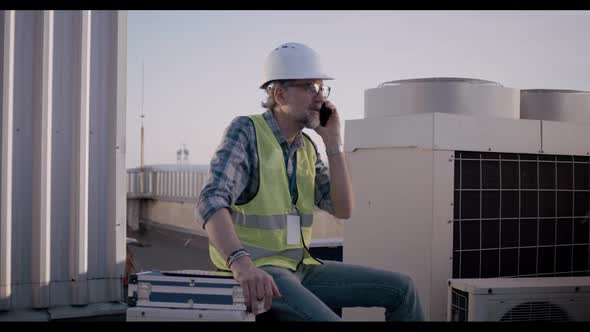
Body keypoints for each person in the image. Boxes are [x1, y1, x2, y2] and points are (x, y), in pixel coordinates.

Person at [196, 42, 424, 321]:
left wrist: (333, 142)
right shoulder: (246, 131)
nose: (320, 98)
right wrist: (240, 263)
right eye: (310, 87)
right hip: (262, 270)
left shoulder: (307, 147)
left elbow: (343, 208)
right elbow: (211, 200)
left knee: (403, 289)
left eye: (322, 88)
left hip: (302, 267)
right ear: (279, 94)